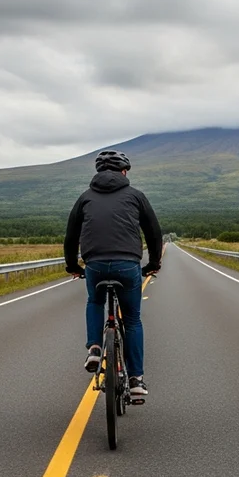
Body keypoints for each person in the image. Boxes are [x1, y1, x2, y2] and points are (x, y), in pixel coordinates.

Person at [64, 150, 163, 397]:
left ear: (98, 172)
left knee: (95, 301)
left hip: (95, 265)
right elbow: (154, 233)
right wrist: (154, 263)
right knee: (131, 320)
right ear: (124, 171)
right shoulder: (136, 196)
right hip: (128, 264)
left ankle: (95, 348)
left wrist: (73, 267)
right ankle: (136, 380)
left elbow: (70, 237)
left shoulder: (85, 198)